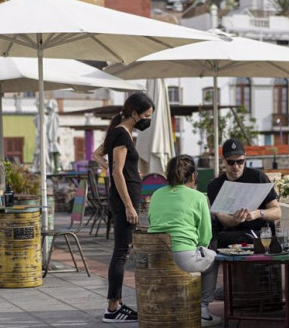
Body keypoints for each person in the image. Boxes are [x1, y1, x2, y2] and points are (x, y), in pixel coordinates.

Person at [93, 93, 154, 323]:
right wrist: (129, 206)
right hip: (123, 201)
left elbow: (98, 155)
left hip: (125, 197)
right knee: (120, 253)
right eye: (146, 115)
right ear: (135, 113)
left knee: (122, 251)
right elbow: (117, 172)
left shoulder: (122, 132)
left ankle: (115, 304)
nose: (147, 120)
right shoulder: (121, 132)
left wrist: (122, 170)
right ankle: (112, 308)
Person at [147, 155, 222, 327]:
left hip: (154, 257)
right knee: (212, 257)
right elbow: (205, 236)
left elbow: (151, 223)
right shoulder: (198, 197)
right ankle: (202, 310)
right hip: (183, 258)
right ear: (194, 176)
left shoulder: (156, 194)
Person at [207, 138, 281, 248]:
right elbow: (221, 217)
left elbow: (277, 212)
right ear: (223, 160)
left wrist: (258, 214)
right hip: (230, 237)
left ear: (245, 158)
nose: (236, 167)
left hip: (258, 234)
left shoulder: (258, 177)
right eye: (231, 162)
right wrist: (236, 220)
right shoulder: (215, 185)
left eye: (240, 161)